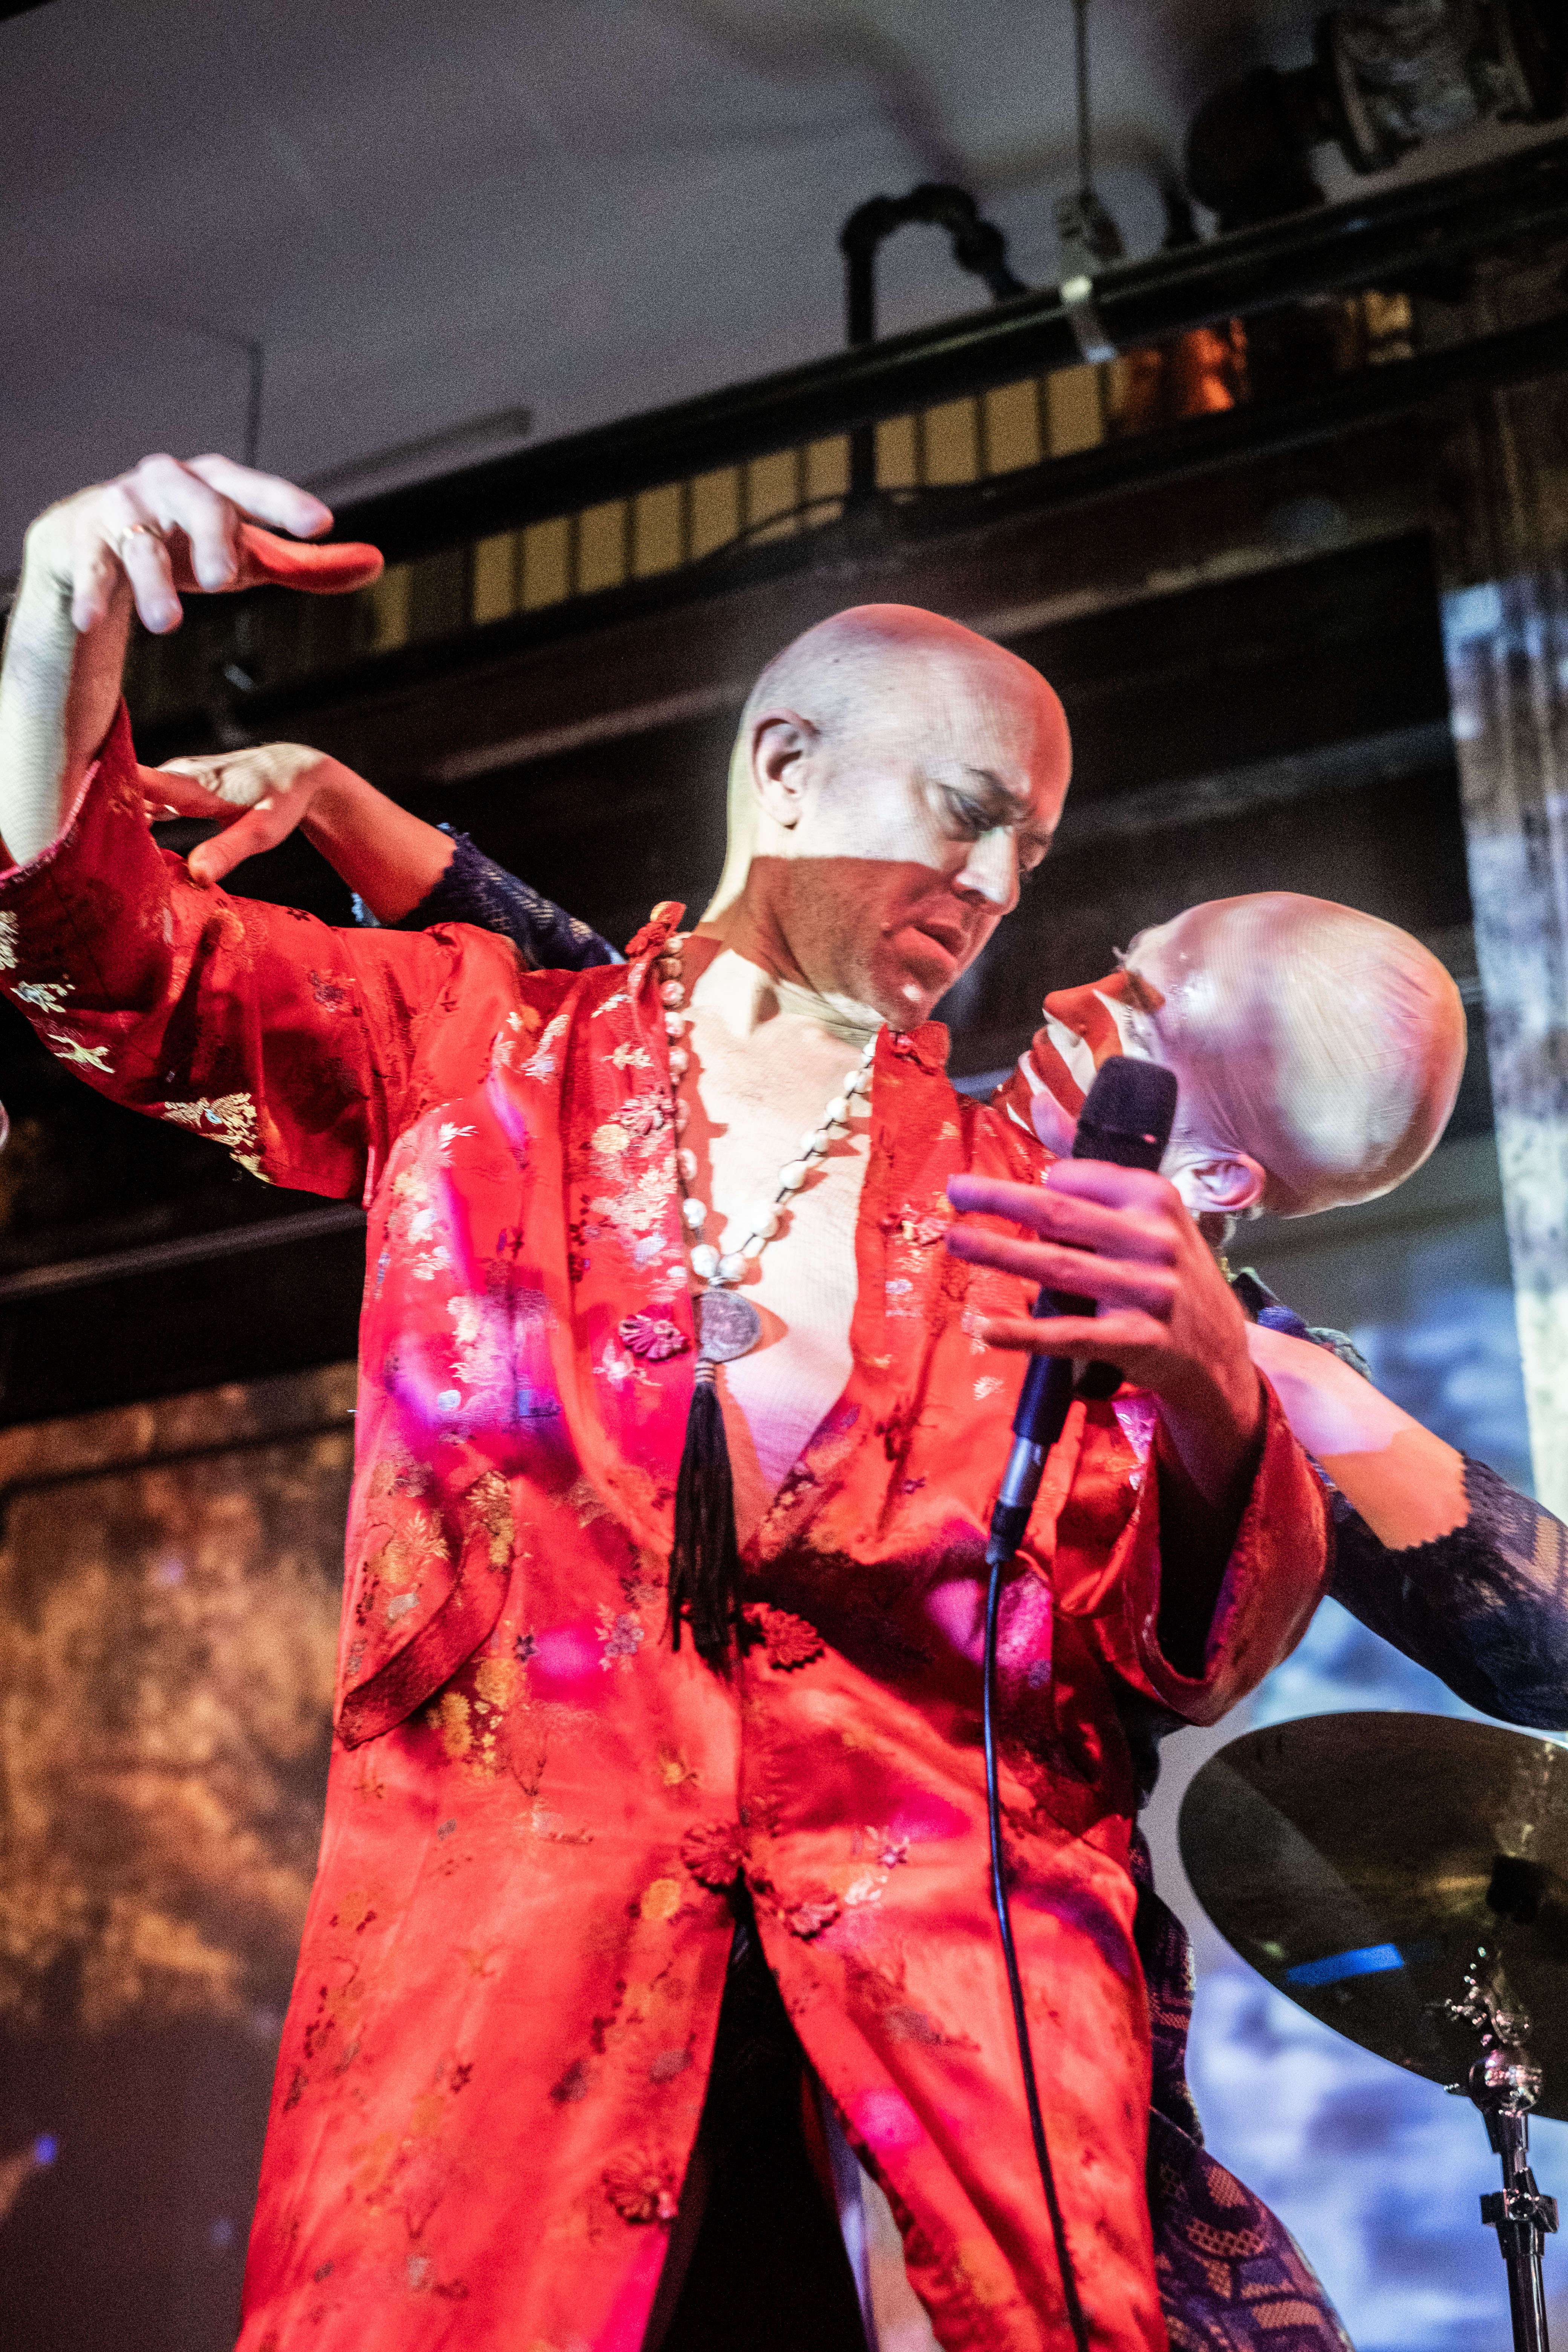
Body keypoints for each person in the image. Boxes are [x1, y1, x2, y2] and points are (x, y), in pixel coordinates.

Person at [0, 453, 1331, 2352]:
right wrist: (63, 616)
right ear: (784, 769)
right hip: (502, 2035)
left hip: (929, 2083)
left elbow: (1162, 1648)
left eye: (1026, 850)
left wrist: (1207, 1381)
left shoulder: (1015, 1205)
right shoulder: (474, 1055)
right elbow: (114, 960)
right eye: (965, 815)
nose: (990, 883)